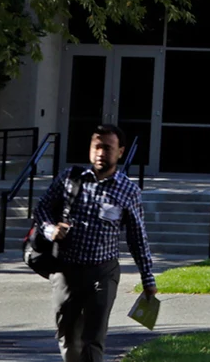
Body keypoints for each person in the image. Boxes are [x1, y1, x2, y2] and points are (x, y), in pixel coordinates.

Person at [33, 123, 157, 361]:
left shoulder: (128, 190)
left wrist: (147, 278)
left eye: (108, 148)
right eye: (97, 147)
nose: (101, 153)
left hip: (102, 273)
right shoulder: (70, 178)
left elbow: (137, 237)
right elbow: (42, 208)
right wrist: (50, 230)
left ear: (120, 152)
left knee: (93, 337)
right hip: (66, 270)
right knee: (68, 335)